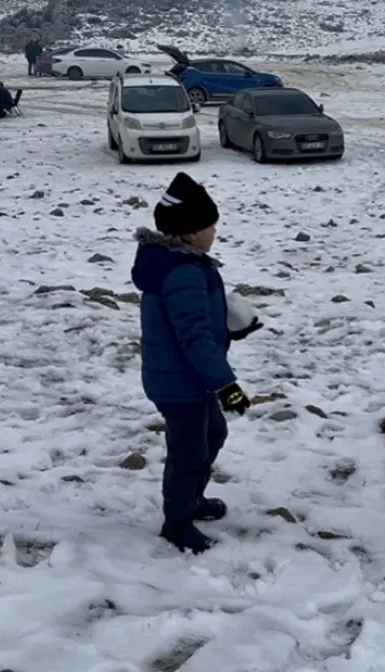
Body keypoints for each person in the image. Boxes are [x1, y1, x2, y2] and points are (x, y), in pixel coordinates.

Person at [130, 172, 262, 554]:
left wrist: (231, 328)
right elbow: (193, 337)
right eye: (208, 225)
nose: (214, 231)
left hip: (191, 378)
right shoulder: (183, 271)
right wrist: (227, 385)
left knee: (212, 435)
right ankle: (177, 523)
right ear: (188, 232)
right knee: (189, 452)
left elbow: (195, 324)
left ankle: (193, 500)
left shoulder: (182, 264)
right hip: (181, 383)